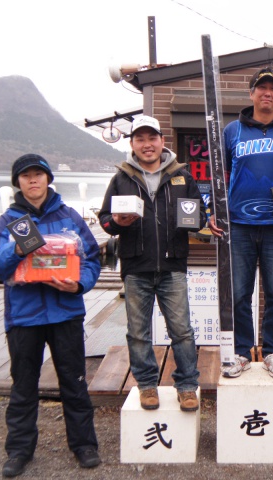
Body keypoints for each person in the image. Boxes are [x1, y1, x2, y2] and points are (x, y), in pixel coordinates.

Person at [0, 154, 101, 477]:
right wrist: (17, 249)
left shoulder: (70, 217)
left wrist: (78, 283)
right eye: (26, 176)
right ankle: (19, 450)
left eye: (39, 174)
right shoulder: (8, 221)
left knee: (75, 382)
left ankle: (84, 444)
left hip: (66, 314)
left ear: (48, 179)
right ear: (17, 182)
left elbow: (92, 258)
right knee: (23, 386)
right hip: (23, 317)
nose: (33, 180)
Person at [208, 66, 273, 378]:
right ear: (251, 93)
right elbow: (220, 176)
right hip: (238, 225)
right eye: (262, 88)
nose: (268, 93)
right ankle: (241, 352)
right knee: (240, 292)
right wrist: (215, 210)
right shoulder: (231, 132)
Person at [99, 115, 205, 412]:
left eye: (152, 138)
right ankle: (146, 385)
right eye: (140, 139)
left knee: (182, 331)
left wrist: (196, 221)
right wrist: (117, 222)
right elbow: (106, 220)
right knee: (138, 332)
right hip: (136, 267)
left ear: (162, 140)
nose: (147, 145)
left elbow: (201, 215)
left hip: (173, 266)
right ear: (132, 144)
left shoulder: (182, 175)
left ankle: (186, 386)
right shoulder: (122, 177)